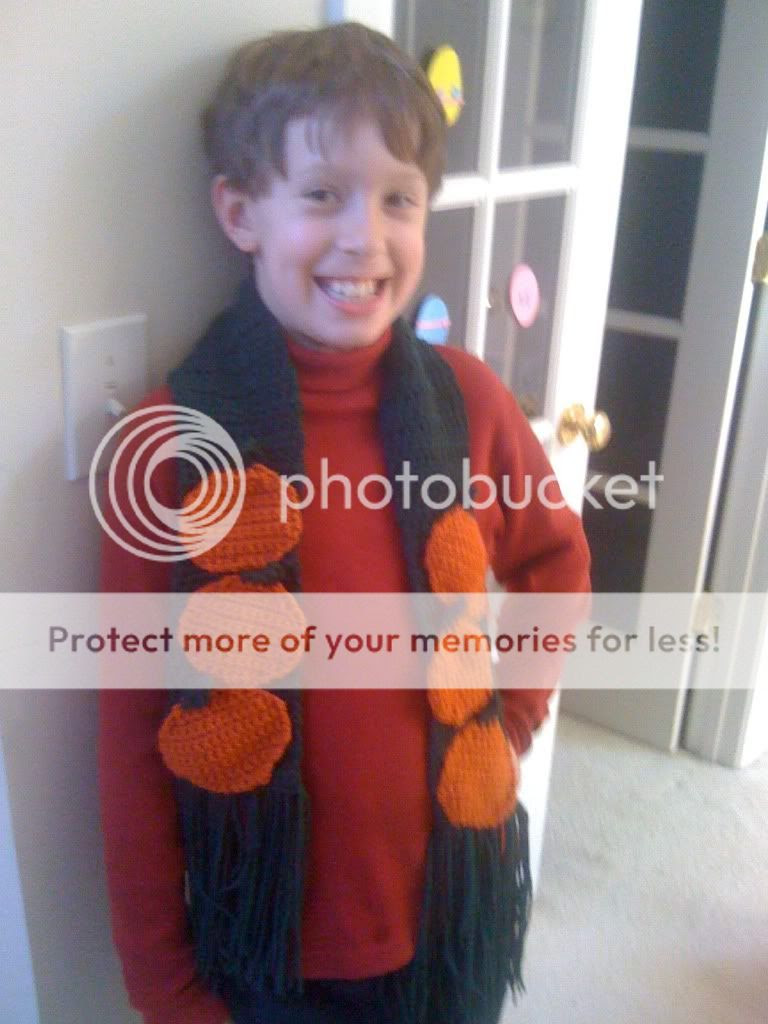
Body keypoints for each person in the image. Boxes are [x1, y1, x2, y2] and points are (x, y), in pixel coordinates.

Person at [99, 21, 590, 1024]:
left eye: (399, 199)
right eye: (323, 194)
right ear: (241, 212)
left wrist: (511, 719)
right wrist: (164, 986)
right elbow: (129, 738)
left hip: (450, 918)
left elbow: (556, 560)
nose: (366, 236)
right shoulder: (171, 447)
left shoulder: (468, 402)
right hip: (268, 957)